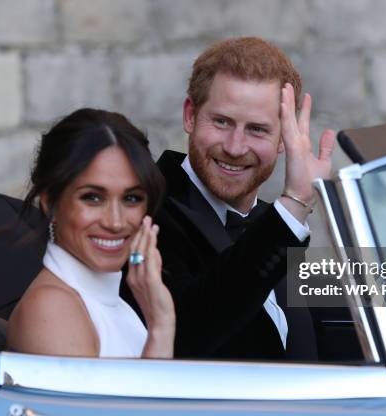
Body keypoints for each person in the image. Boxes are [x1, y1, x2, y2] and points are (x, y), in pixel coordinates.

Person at [122, 37, 334, 360]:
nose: (235, 147)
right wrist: (293, 206)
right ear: (190, 116)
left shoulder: (270, 222)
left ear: (283, 139)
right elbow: (186, 336)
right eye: (222, 122)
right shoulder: (143, 211)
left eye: (257, 130)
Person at [7, 109, 175, 358]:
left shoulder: (112, 303)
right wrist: (161, 328)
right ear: (49, 202)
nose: (116, 222)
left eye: (131, 198)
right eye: (93, 198)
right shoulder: (52, 309)